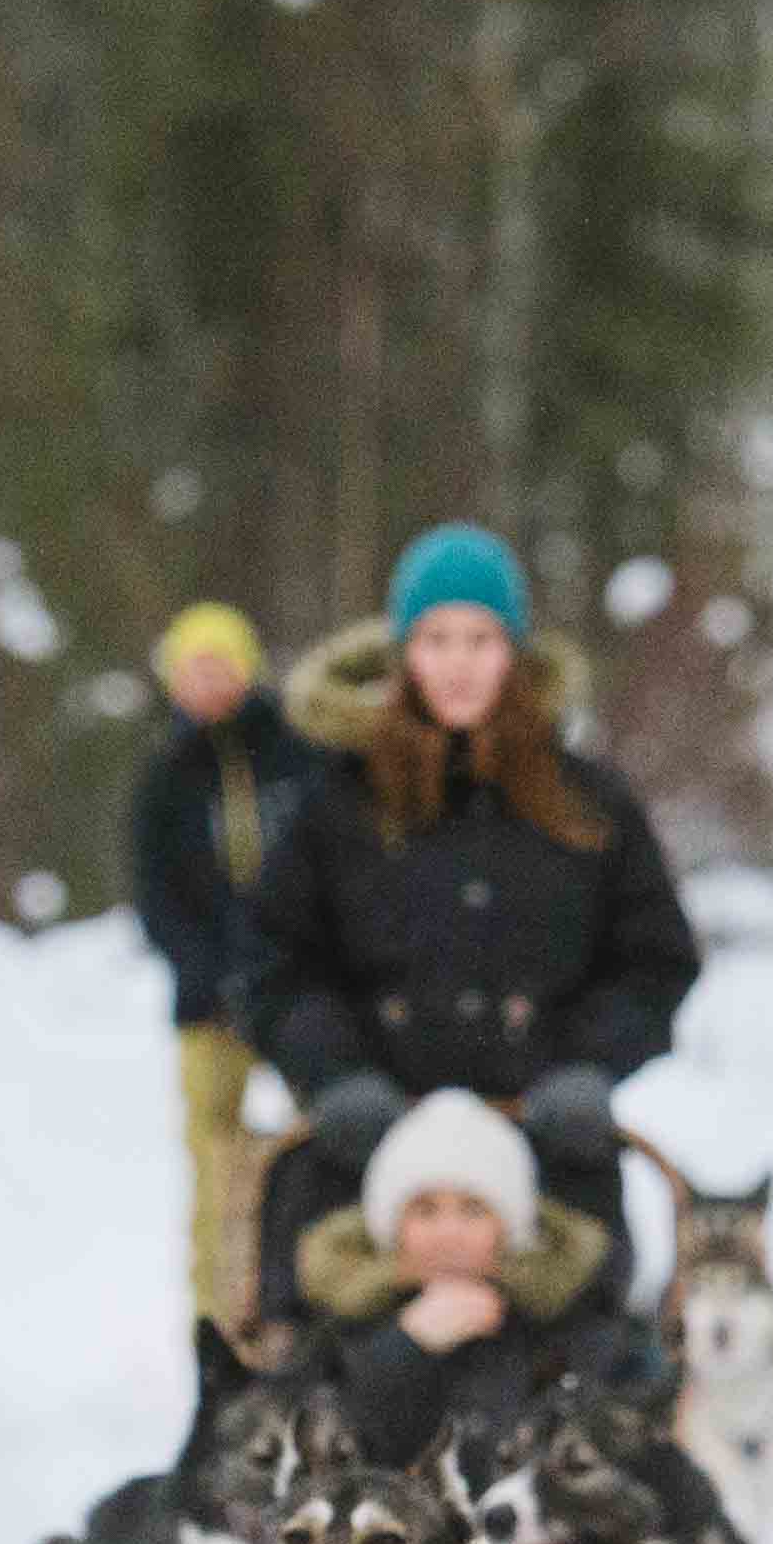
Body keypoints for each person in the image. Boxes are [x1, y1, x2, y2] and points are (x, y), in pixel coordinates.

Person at [239, 522, 701, 1305]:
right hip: (366, 1149)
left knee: (595, 1372)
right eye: (436, 639)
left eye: (481, 640)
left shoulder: (590, 800)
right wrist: (334, 1077)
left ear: (514, 653)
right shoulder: (334, 804)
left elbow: (656, 959)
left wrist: (589, 1068)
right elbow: (268, 962)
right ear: (402, 653)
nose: (458, 664)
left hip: (547, 1142)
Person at [127, 600, 319, 1329]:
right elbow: (156, 894)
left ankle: (312, 1306)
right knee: (216, 1164)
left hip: (298, 991)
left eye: (221, 665)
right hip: (207, 1003)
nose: (208, 682)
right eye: (193, 668)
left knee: (319, 1145)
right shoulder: (165, 780)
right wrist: (204, 970)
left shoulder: (298, 758)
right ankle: (220, 1324)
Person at [300, 1089, 664, 1460]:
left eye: (473, 1210)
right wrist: (405, 1347)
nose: (448, 1232)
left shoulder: (563, 1324)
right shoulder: (343, 1328)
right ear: (393, 1226)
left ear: (507, 1227)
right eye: (425, 1210)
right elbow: (334, 1445)